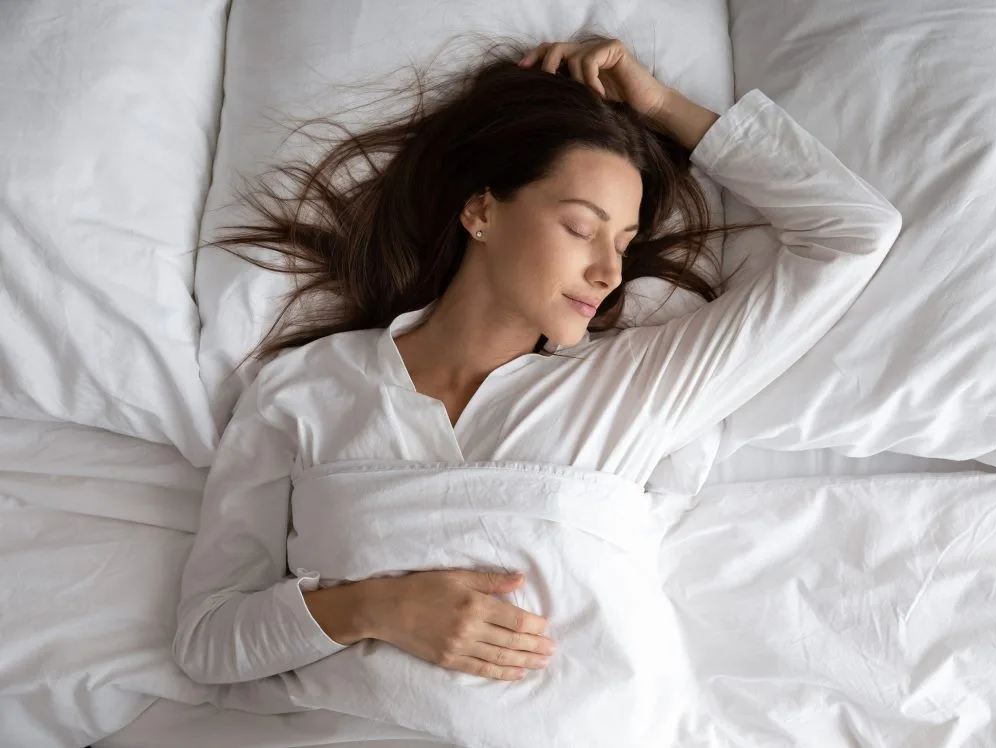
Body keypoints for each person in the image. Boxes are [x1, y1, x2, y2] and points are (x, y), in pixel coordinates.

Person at [173, 34, 901, 697]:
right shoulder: (306, 389)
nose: (608, 270)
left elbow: (853, 232)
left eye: (623, 241)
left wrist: (660, 104)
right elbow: (207, 640)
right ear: (482, 212)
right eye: (581, 227)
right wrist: (375, 606)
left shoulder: (634, 387)